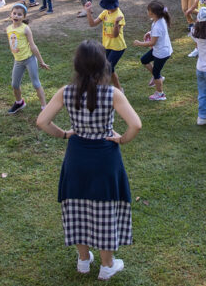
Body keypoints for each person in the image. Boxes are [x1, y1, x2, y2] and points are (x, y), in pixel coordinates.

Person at [36, 40, 140, 280]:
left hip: (76, 156)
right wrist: (121, 139)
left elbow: (42, 121)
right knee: (104, 208)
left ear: (77, 66)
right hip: (105, 157)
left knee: (76, 205)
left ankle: (83, 261)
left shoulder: (66, 91)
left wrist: (64, 133)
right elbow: (136, 125)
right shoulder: (112, 94)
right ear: (103, 65)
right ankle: (107, 265)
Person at [5, 3, 51, 114]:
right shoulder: (8, 29)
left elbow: (33, 46)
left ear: (24, 17)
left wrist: (41, 61)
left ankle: (44, 107)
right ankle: (19, 102)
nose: (16, 16)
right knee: (15, 85)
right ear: (11, 15)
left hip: (29, 59)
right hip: (18, 61)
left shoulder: (25, 29)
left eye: (20, 14)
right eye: (14, 13)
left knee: (36, 83)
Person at [84, 0, 126, 88]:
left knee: (106, 69)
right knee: (110, 70)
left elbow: (115, 35)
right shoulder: (105, 12)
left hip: (117, 48)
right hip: (107, 46)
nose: (109, 8)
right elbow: (92, 24)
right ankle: (119, 89)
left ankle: (99, 89)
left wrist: (116, 24)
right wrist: (88, 12)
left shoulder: (119, 16)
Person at [133, 1, 172, 101]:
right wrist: (150, 32)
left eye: (148, 10)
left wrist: (139, 43)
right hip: (159, 50)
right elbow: (157, 33)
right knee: (144, 60)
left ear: (153, 13)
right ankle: (158, 77)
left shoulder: (159, 24)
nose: (147, 11)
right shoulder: (159, 19)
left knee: (156, 73)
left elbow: (152, 43)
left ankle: (160, 94)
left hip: (161, 53)